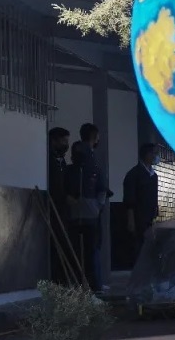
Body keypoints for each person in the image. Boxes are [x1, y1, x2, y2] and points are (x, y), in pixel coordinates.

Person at [66, 123, 109, 292]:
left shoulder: (76, 160)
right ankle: (94, 284)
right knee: (92, 248)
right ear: (94, 136)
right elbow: (101, 187)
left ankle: (79, 283)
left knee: (78, 249)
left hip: (77, 213)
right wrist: (98, 206)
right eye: (97, 137)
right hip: (90, 213)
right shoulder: (91, 160)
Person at [123, 143, 160, 264]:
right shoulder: (134, 174)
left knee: (149, 247)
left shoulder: (153, 176)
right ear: (147, 154)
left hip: (150, 217)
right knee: (139, 246)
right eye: (153, 153)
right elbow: (129, 199)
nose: (156, 156)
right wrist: (130, 219)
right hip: (138, 217)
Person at [47, 127, 74, 285]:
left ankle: (63, 279)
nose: (66, 144)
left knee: (64, 243)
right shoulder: (48, 159)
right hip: (52, 207)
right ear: (54, 141)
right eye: (64, 141)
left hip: (63, 209)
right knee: (54, 244)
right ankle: (55, 278)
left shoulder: (62, 160)